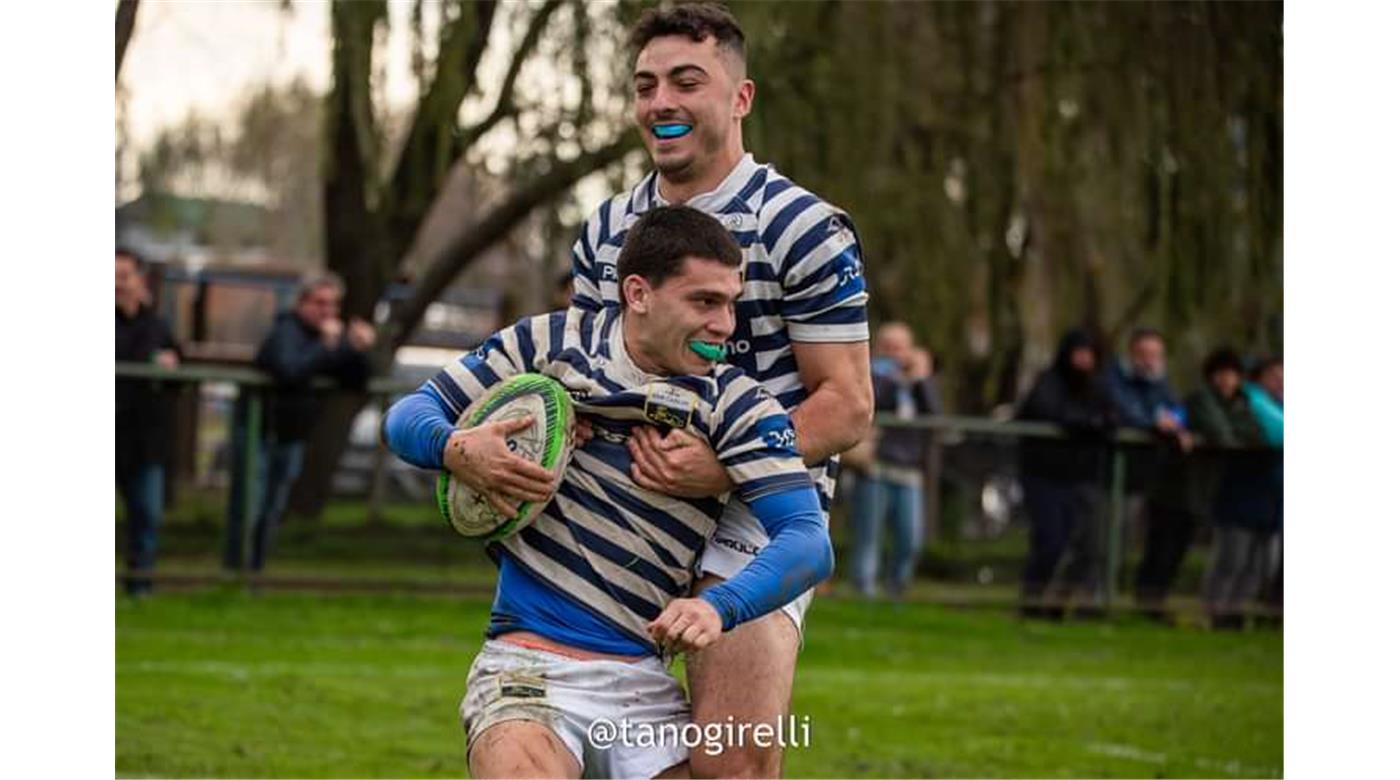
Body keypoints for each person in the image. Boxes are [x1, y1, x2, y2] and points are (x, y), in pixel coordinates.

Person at [382, 206, 833, 779]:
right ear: (639, 293)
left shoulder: (739, 404)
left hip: (643, 687)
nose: (725, 325)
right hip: (527, 674)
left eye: (730, 303)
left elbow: (809, 542)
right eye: (704, 302)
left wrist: (718, 606)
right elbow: (407, 415)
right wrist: (460, 450)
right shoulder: (550, 342)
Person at [568, 5, 873, 774]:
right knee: (593, 751)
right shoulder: (606, 230)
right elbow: (583, 377)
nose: (659, 101)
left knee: (729, 761)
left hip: (755, 516)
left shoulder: (803, 226)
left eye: (685, 81)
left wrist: (727, 464)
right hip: (626, 506)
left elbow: (846, 405)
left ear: (741, 98)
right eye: (645, 85)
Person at [222, 272, 376, 573]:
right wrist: (330, 346)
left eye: (333, 305)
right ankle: (234, 572)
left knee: (272, 509)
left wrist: (358, 350)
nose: (327, 312)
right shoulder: (286, 331)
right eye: (320, 303)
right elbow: (290, 370)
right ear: (301, 303)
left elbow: (356, 381)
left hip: (290, 436)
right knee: (248, 507)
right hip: (259, 432)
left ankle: (254, 573)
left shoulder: (326, 339)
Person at [1016, 329, 1117, 619]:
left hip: (1083, 476)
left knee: (1089, 545)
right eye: (1079, 353)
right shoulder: (1049, 382)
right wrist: (1086, 423)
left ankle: (1060, 602)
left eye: (1089, 354)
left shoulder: (1099, 386)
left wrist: (1093, 423)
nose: (1084, 360)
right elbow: (1049, 411)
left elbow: (1111, 418)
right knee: (1051, 540)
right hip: (1045, 476)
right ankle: (1033, 601)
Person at [1106, 327, 1197, 619]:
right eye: (1143, 354)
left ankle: (1148, 605)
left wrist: (1178, 425)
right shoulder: (1114, 380)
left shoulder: (1161, 384)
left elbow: (1178, 411)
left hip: (1154, 477)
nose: (1149, 361)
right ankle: (1094, 603)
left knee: (1158, 540)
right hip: (1115, 475)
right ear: (1131, 354)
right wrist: (1154, 423)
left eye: (1155, 355)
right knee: (1107, 543)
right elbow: (1125, 412)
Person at [847, 323, 941, 598]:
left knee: (910, 537)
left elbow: (935, 414)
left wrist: (921, 380)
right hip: (874, 466)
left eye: (899, 348)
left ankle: (897, 590)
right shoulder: (869, 376)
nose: (893, 354)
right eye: (887, 347)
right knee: (869, 535)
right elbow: (874, 405)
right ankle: (863, 591)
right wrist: (897, 378)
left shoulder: (917, 381)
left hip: (909, 469)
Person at [1188, 348, 1275, 630]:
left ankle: (1235, 613)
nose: (1227, 380)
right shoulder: (1205, 400)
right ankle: (1214, 611)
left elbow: (1255, 433)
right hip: (1232, 490)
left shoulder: (1246, 404)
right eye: (1222, 374)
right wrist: (1238, 437)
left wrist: (1241, 436)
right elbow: (1223, 433)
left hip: (1263, 493)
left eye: (1232, 375)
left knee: (1260, 563)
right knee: (1231, 558)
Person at [116, 249, 181, 596]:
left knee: (147, 516)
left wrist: (171, 365)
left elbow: (175, 363)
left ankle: (140, 587)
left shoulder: (156, 323)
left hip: (143, 439)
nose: (117, 284)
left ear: (139, 280)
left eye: (124, 276)